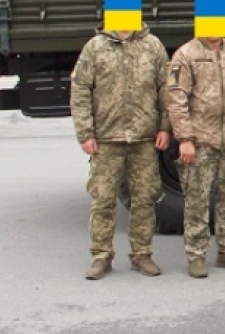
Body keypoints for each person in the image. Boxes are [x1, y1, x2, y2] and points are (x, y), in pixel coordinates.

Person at [71, 23, 171, 280]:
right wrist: (86, 133)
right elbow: (80, 89)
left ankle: (142, 254)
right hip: (106, 138)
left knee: (144, 200)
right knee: (103, 199)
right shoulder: (95, 47)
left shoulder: (153, 46)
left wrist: (165, 127)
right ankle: (101, 256)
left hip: (144, 138)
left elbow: (166, 89)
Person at [165, 34, 225, 278]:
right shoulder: (184, 55)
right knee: (197, 202)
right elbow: (175, 99)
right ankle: (196, 255)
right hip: (200, 143)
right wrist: (185, 139)